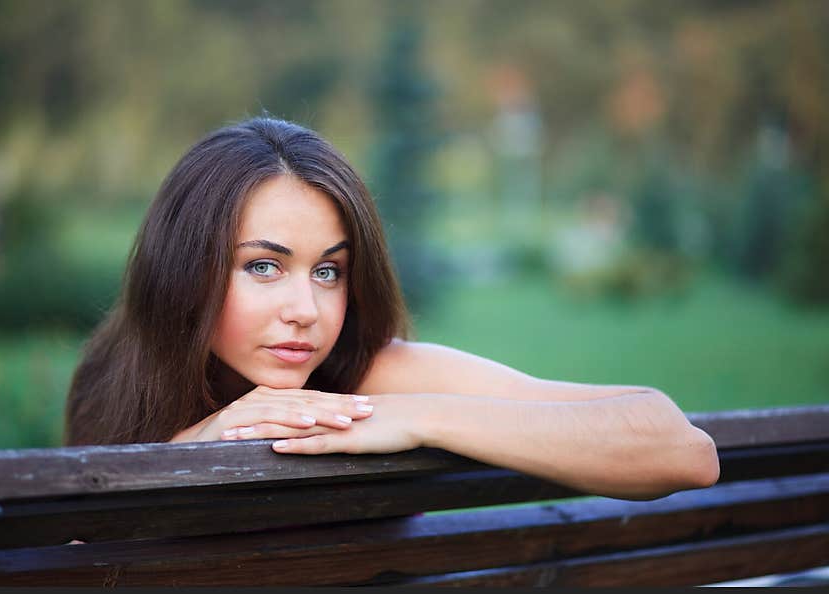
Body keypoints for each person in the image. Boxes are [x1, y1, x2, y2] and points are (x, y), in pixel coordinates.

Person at [64, 116, 719, 501]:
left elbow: (681, 446)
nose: (306, 309)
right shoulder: (118, 383)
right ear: (184, 269)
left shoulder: (370, 377)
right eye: (263, 265)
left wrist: (414, 416)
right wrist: (191, 450)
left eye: (329, 270)